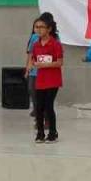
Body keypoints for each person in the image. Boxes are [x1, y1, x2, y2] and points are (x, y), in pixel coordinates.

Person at [28, 16, 63, 144]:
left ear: (49, 29)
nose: (38, 30)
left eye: (41, 27)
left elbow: (59, 62)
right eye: (36, 27)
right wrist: (31, 65)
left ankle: (52, 133)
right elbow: (33, 58)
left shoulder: (55, 44)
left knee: (49, 106)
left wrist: (44, 65)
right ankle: (40, 133)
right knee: (38, 107)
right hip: (40, 80)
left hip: (53, 80)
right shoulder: (36, 44)